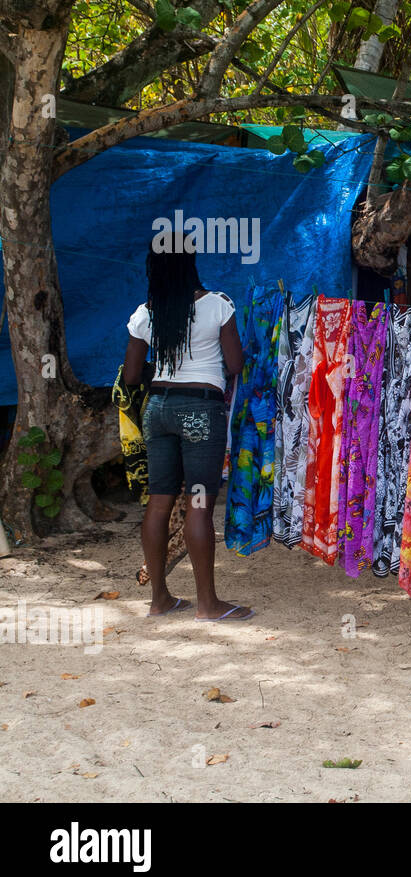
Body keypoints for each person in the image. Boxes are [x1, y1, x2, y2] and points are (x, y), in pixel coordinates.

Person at [123, 237, 252, 620]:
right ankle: (208, 605)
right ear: (191, 264)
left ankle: (159, 599)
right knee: (198, 503)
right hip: (199, 410)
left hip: (158, 410)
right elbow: (234, 365)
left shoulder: (145, 314)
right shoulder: (217, 305)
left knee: (159, 502)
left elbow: (131, 375)